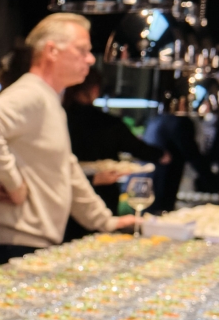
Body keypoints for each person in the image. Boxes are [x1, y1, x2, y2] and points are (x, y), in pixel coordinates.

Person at [0, 13, 135, 268]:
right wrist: (13, 183)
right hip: (10, 243)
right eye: (82, 50)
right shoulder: (32, 93)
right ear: (52, 51)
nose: (90, 59)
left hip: (25, 242)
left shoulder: (49, 99)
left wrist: (105, 222)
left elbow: (66, 170)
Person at [62, 66, 167, 240]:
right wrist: (163, 155)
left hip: (66, 200)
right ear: (95, 89)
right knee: (96, 244)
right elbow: (140, 149)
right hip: (101, 193)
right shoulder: (108, 122)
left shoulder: (60, 118)